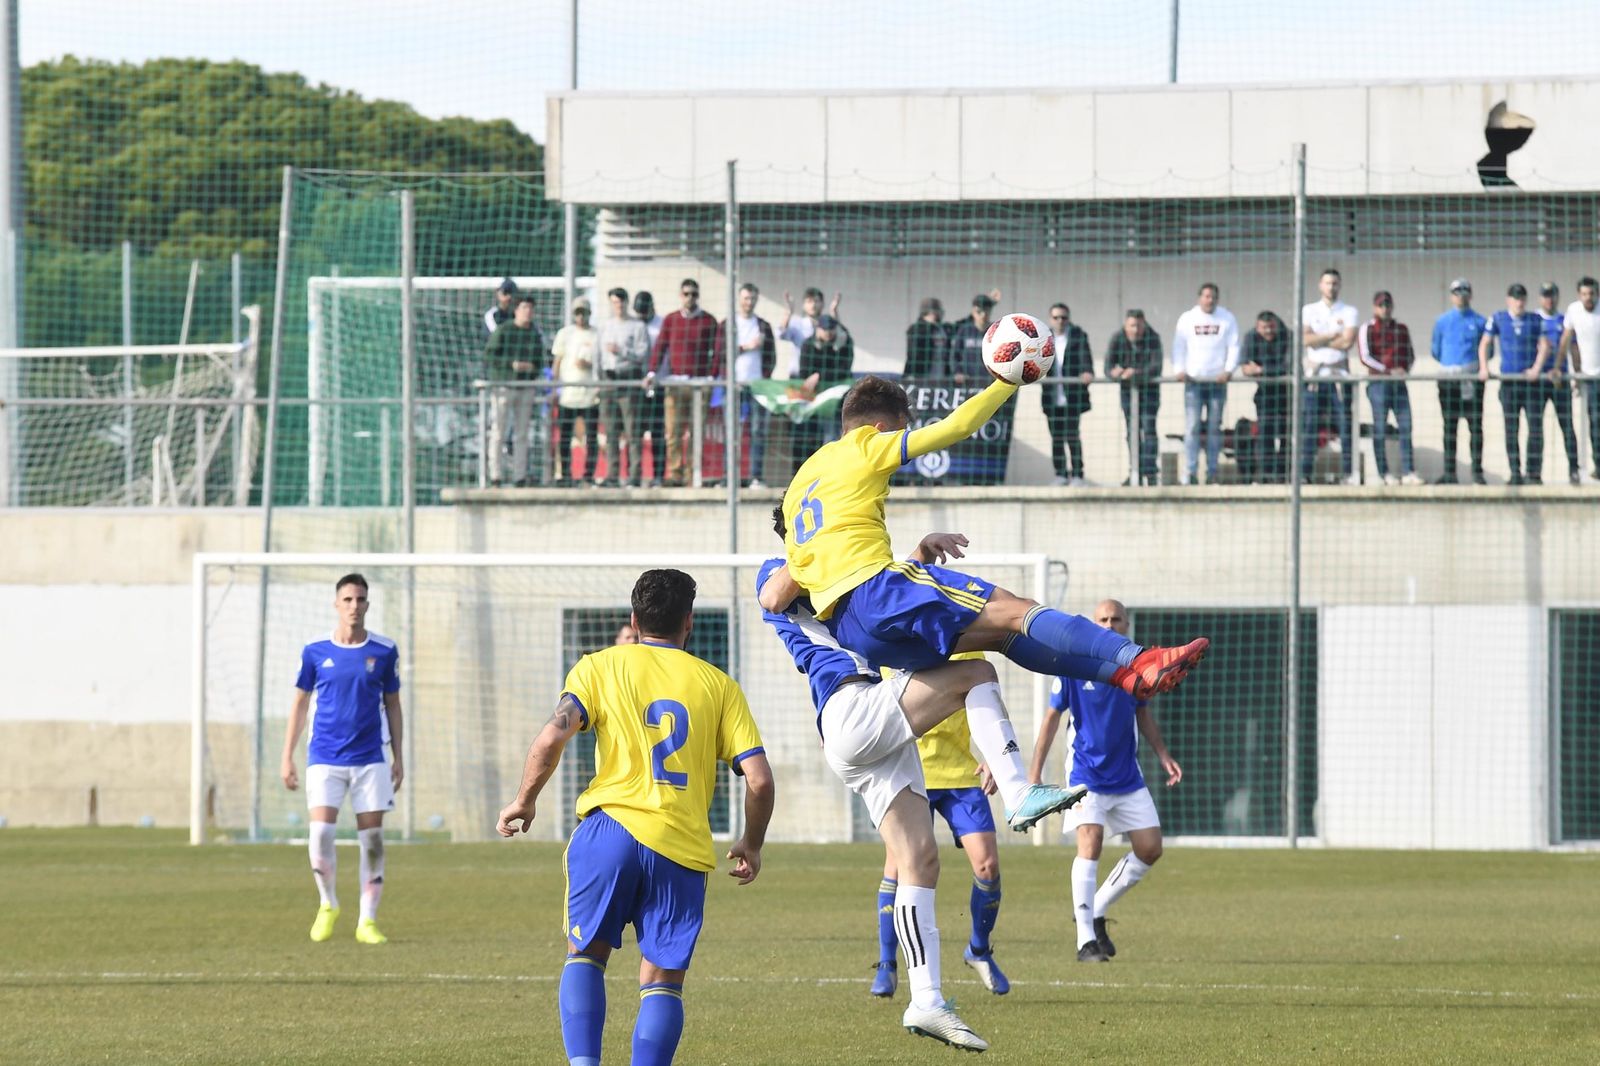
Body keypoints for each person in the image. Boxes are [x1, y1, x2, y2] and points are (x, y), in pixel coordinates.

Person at [758, 514, 1080, 1051]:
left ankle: (926, 999)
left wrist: (916, 559)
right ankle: (1020, 791)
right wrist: (815, 534)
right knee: (977, 673)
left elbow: (874, 601)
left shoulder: (838, 570)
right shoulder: (779, 568)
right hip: (852, 709)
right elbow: (774, 596)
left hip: (864, 726)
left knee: (920, 862)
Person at [776, 375, 1209, 710]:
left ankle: (1124, 679)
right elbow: (958, 426)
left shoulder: (801, 482)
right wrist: (1008, 380)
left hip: (855, 632)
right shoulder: (867, 445)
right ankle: (1139, 658)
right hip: (878, 589)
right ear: (880, 426)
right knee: (1016, 609)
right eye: (900, 430)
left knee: (1001, 636)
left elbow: (795, 578)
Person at [497, 569, 774, 1066]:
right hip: (680, 846)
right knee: (663, 980)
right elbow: (759, 781)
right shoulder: (719, 685)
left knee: (586, 954)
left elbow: (550, 738)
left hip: (609, 832)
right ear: (689, 623)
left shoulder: (598, 667)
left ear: (634, 619)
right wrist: (751, 843)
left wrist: (525, 799)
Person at [1027, 599, 1180, 963]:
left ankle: (1095, 908)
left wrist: (1163, 755)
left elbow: (1143, 715)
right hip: (1085, 774)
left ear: (1127, 625)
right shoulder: (1072, 665)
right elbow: (1051, 719)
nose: (1109, 625)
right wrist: (1033, 775)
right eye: (1103, 620)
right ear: (1095, 625)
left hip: (1127, 775)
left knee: (1150, 849)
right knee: (1090, 842)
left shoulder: (1137, 671)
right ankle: (1085, 942)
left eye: (1116, 619)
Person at [871, 656, 1010, 1001]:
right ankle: (888, 964)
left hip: (961, 777)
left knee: (987, 866)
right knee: (898, 866)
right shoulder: (890, 652)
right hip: (908, 773)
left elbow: (990, 707)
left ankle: (978, 949)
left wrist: (995, 754)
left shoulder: (967, 653)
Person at [280, 573, 403, 946]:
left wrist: (399, 756)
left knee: (373, 839)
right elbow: (300, 704)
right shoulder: (315, 651)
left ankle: (367, 919)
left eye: (360, 599)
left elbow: (393, 705)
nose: (354, 606)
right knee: (321, 834)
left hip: (370, 758)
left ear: (368, 604)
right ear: (336, 604)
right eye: (347, 599)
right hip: (325, 757)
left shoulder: (383, 651)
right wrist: (287, 756)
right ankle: (328, 903)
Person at [646, 279, 721, 486]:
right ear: (681, 295)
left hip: (699, 384)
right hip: (676, 383)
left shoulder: (708, 321)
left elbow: (717, 351)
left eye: (694, 294)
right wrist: (652, 371)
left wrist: (712, 375)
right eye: (686, 294)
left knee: (697, 433)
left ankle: (692, 475)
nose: (690, 298)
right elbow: (660, 346)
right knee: (673, 431)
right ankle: (676, 473)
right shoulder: (671, 320)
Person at [1172, 283, 1240, 486]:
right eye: (1206, 296)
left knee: (1214, 428)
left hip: (1217, 382)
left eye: (1213, 297)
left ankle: (1212, 472)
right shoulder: (1187, 319)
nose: (1209, 300)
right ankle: (1190, 472)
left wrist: (1228, 370)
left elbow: (1234, 346)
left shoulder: (1227, 318)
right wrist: (1179, 370)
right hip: (1194, 382)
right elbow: (1179, 345)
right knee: (1192, 427)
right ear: (1199, 298)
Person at [713, 282, 778, 487]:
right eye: (745, 298)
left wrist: (764, 377)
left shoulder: (763, 326)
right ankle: (728, 477)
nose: (748, 302)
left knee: (759, 431)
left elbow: (771, 356)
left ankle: (756, 476)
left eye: (752, 299)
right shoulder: (727, 324)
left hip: (757, 385)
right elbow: (720, 353)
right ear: (739, 300)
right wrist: (745, 347)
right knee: (731, 431)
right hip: (734, 385)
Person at [1479, 283, 1545, 485]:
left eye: (1522, 298)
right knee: (1511, 429)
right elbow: (1484, 343)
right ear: (1509, 299)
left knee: (1535, 428)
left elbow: (1544, 345)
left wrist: (1536, 368)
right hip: (1509, 384)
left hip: (1530, 384)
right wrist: (1484, 367)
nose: (1519, 302)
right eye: (1516, 298)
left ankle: (1533, 473)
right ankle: (1515, 472)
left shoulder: (1534, 319)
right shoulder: (1498, 318)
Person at [1300, 268, 1360, 485]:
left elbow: (1347, 343)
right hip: (1314, 377)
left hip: (1339, 377)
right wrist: (1330, 335)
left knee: (1345, 425)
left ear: (1340, 285)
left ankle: (1348, 473)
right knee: (1308, 425)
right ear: (1320, 285)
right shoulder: (1309, 310)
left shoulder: (1349, 311)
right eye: (1327, 283)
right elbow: (1305, 339)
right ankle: (1304, 473)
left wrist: (1318, 339)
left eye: (1335, 283)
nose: (1331, 287)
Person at [1357, 291, 1423, 485]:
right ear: (1374, 308)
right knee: (1380, 427)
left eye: (1387, 305)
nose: (1384, 309)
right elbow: (1365, 357)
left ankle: (1408, 471)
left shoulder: (1401, 328)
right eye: (1381, 305)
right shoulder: (1367, 328)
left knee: (1406, 426)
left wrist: (1404, 370)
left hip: (1398, 385)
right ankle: (1383, 473)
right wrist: (1387, 370)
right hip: (1378, 384)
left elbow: (1410, 353)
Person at [1431, 278, 1489, 484]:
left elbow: (1487, 352)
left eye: (1465, 291)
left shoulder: (1480, 321)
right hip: (1449, 379)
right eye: (1457, 292)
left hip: (1472, 378)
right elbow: (1435, 351)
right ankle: (1449, 473)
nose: (1461, 295)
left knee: (1475, 426)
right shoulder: (1442, 321)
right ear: (1451, 296)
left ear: (1471, 295)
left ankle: (1477, 472)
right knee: (1449, 426)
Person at [483, 296, 547, 486]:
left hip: (525, 388)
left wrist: (531, 369)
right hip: (504, 386)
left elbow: (540, 362)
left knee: (521, 433)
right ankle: (495, 475)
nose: (528, 312)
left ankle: (520, 476)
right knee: (499, 431)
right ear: (516, 310)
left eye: (531, 308)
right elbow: (490, 355)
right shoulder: (504, 330)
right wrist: (511, 365)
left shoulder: (534, 334)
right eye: (524, 307)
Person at [597, 287, 650, 488]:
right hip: (608, 382)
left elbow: (642, 355)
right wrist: (598, 381)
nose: (618, 306)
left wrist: (621, 351)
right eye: (614, 303)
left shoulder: (637, 327)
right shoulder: (605, 326)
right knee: (610, 432)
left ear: (627, 303)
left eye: (621, 302)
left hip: (628, 380)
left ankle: (634, 475)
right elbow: (598, 356)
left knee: (632, 431)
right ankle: (612, 474)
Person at [1530, 281, 1582, 485]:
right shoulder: (1533, 319)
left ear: (1557, 297)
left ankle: (1574, 470)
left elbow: (1574, 349)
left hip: (1559, 380)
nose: (1548, 299)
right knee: (1535, 428)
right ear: (1539, 298)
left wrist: (1576, 376)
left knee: (1567, 426)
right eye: (1545, 295)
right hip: (1538, 382)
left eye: (1552, 295)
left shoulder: (1564, 320)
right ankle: (1534, 473)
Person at [1106, 310, 1163, 486]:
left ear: (1144, 324)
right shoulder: (1117, 338)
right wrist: (1114, 373)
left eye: (1139, 325)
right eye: (1132, 325)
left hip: (1149, 391)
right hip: (1127, 391)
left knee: (1149, 430)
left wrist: (1135, 373)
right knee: (1132, 431)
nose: (1136, 329)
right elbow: (1108, 367)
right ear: (1126, 325)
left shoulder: (1153, 338)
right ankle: (1135, 471)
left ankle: (1150, 472)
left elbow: (1156, 367)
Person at [1043, 304, 1094, 486]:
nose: (1060, 321)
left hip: (1072, 396)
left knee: (1072, 436)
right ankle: (1060, 474)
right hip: (1052, 396)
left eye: (1063, 317)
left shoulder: (1078, 336)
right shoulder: (1043, 338)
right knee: (1056, 437)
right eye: (1056, 317)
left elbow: (1085, 358)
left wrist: (1087, 371)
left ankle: (1078, 474)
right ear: (1050, 319)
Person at [552, 297, 601, 487]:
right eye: (577, 313)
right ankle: (565, 475)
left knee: (591, 437)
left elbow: (601, 362)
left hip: (590, 396)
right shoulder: (565, 334)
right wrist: (554, 388)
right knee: (564, 438)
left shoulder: (597, 334)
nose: (581, 316)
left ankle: (588, 475)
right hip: (568, 396)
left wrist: (589, 365)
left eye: (584, 312)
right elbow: (557, 363)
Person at [793, 314, 854, 463]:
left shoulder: (843, 344)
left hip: (834, 401)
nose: (828, 333)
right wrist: (818, 377)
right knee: (808, 437)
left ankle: (830, 467)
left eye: (831, 329)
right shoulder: (808, 345)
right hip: (813, 399)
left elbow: (843, 370)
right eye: (825, 329)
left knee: (831, 434)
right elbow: (804, 372)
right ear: (818, 329)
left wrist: (819, 375)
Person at [1239, 311, 1290, 483]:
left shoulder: (1287, 336)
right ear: (1257, 326)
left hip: (1288, 393)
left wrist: (1261, 370)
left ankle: (1285, 475)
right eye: (1263, 328)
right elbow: (1245, 368)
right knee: (1265, 434)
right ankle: (1267, 475)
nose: (1268, 331)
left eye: (1271, 327)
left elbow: (1289, 366)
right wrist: (1272, 370)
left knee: (1287, 434)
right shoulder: (1251, 337)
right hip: (1265, 393)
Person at [1558, 276, 1600, 482]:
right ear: (1579, 295)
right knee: (1595, 421)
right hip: (1590, 377)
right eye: (1584, 294)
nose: (1588, 298)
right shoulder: (1574, 310)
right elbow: (1566, 339)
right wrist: (1559, 366)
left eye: (1591, 294)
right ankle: (1598, 464)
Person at [634, 291, 667, 487]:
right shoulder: (635, 324)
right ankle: (635, 475)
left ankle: (658, 474)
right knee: (635, 432)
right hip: (638, 385)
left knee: (657, 432)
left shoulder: (661, 324)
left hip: (658, 384)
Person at [777, 287, 844, 374]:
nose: (813, 305)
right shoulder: (797, 323)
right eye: (809, 301)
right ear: (803, 305)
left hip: (823, 375)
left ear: (823, 304)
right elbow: (781, 335)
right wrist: (788, 313)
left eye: (816, 301)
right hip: (799, 374)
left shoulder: (828, 323)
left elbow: (840, 335)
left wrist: (834, 311)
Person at [948, 292, 999, 385]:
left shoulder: (995, 330)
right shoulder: (965, 330)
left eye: (986, 311)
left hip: (990, 381)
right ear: (973, 312)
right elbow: (955, 355)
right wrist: (957, 372)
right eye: (979, 312)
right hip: (968, 381)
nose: (983, 315)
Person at [904, 297, 951, 380]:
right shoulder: (917, 329)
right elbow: (913, 355)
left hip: (941, 376)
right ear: (932, 312)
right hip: (922, 377)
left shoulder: (942, 330)